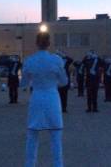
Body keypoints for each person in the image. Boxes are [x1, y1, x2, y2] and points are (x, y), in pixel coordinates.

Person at [21, 31, 67, 167]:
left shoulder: (29, 60)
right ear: (49, 43)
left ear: (36, 43)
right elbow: (64, 82)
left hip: (37, 98)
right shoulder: (57, 60)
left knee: (32, 137)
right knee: (56, 138)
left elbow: (23, 83)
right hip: (52, 98)